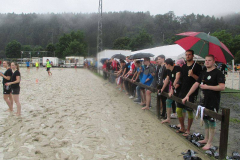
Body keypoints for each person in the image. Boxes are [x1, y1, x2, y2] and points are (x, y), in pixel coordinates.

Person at [182, 55, 225, 150]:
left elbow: (222, 87)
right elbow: (196, 84)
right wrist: (187, 95)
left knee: (211, 121)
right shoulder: (203, 73)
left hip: (213, 101)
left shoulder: (218, 73)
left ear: (214, 61)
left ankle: (210, 142)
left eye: (209, 60)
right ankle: (206, 138)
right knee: (205, 119)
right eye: (206, 60)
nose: (207, 62)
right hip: (202, 100)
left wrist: (207, 87)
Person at [177, 50, 202, 136]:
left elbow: (200, 80)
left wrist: (192, 75)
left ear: (193, 56)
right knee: (178, 109)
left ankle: (188, 129)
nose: (187, 56)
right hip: (182, 90)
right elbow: (181, 79)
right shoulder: (183, 67)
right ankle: (182, 127)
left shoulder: (198, 67)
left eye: (189, 55)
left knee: (189, 111)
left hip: (192, 92)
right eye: (186, 55)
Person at [160, 58, 181, 123]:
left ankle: (181, 123)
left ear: (168, 64)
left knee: (180, 106)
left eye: (165, 64)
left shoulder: (177, 68)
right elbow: (167, 80)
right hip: (174, 87)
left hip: (180, 88)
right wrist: (162, 89)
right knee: (168, 101)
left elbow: (177, 79)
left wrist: (172, 89)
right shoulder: (168, 70)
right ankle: (168, 118)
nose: (165, 66)